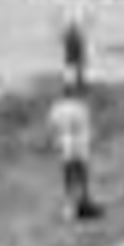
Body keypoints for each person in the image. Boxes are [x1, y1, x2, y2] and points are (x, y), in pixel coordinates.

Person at [49, 83, 101, 221]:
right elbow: (85, 125)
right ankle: (83, 203)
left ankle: (70, 207)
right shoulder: (80, 107)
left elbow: (53, 126)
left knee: (68, 175)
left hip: (65, 142)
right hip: (79, 143)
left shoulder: (57, 108)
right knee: (81, 174)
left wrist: (56, 142)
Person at [61, 16, 90, 94]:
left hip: (74, 57)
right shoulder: (73, 36)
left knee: (75, 72)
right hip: (73, 57)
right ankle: (74, 87)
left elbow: (80, 47)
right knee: (73, 72)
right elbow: (69, 46)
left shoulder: (72, 35)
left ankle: (76, 87)